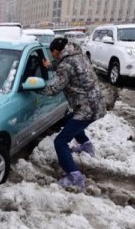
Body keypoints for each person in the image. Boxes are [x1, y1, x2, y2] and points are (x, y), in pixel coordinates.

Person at [42, 37, 106, 190]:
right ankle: (86, 145)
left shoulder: (66, 64)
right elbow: (67, 67)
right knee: (70, 119)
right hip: (95, 103)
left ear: (57, 51)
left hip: (86, 107)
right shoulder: (78, 55)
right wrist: (51, 66)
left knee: (60, 142)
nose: (52, 57)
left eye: (52, 54)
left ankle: (74, 177)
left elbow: (54, 89)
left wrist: (35, 89)